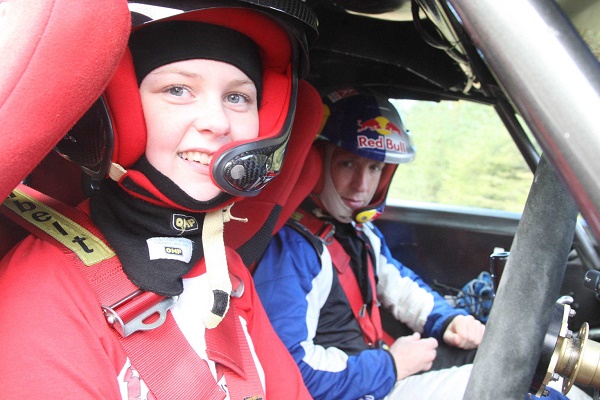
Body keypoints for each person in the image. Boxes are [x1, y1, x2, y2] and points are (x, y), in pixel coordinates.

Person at [0, 1, 317, 399]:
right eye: (178, 90)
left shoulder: (227, 272)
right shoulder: (45, 286)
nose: (217, 122)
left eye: (237, 97)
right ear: (120, 110)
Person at [252, 86, 582, 400]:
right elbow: (291, 369)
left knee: (529, 373)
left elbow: (400, 286)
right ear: (317, 161)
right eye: (347, 163)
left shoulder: (357, 232)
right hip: (361, 387)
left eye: (374, 167)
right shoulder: (292, 252)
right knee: (522, 390)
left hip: (373, 373)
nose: (361, 185)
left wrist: (447, 320)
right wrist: (391, 365)